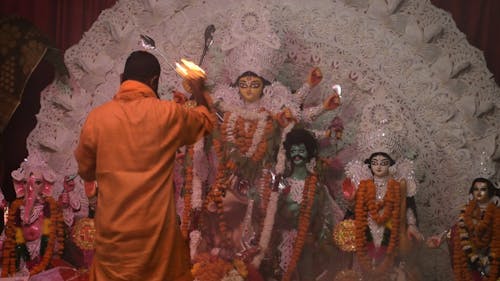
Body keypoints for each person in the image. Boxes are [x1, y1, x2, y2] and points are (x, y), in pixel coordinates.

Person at [74, 50, 214, 281]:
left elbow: (85, 170)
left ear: (122, 79)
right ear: (154, 81)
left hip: (113, 238)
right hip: (156, 238)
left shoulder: (98, 118)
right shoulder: (168, 114)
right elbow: (205, 122)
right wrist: (199, 90)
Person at [263, 128, 342, 281]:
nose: (297, 154)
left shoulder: (317, 186)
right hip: (282, 246)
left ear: (309, 153)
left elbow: (325, 219)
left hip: (308, 247)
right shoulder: (280, 183)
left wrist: (320, 242)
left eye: (301, 150)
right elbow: (269, 216)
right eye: (293, 150)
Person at [342, 152, 424, 281]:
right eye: (375, 163)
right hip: (367, 231)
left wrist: (412, 225)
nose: (378, 167)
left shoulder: (397, 186)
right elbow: (355, 210)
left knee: (390, 267)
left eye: (383, 163)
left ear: (390, 164)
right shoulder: (363, 186)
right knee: (366, 266)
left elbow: (406, 207)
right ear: (369, 165)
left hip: (391, 230)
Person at [426, 178, 500, 281]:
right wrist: (441, 237)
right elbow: (458, 230)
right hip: (473, 274)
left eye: (483, 189)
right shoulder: (467, 218)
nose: (479, 193)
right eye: (476, 189)